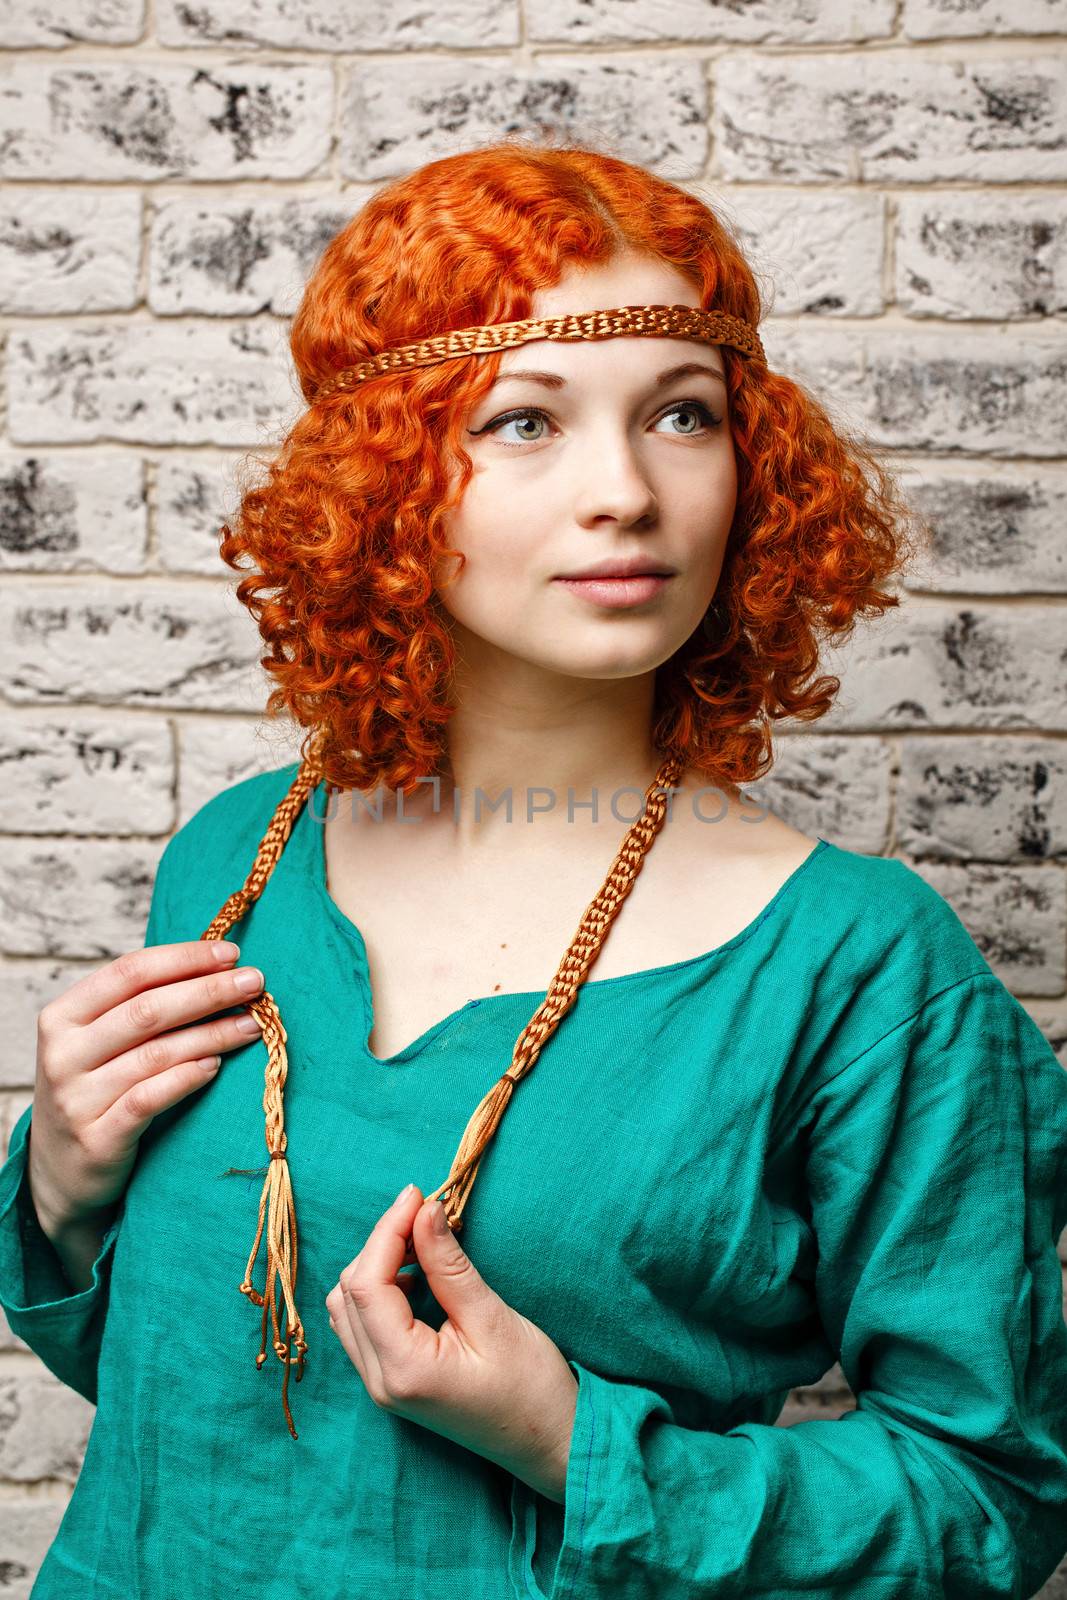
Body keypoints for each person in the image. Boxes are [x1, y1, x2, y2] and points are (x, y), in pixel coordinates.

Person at [2, 138, 1066, 1600]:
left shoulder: (860, 971)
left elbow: (990, 1497)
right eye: (524, 422)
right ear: (384, 477)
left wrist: (580, 1447)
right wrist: (58, 1188)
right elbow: (198, 1382)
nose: (626, 491)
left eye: (683, 415)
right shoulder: (235, 862)